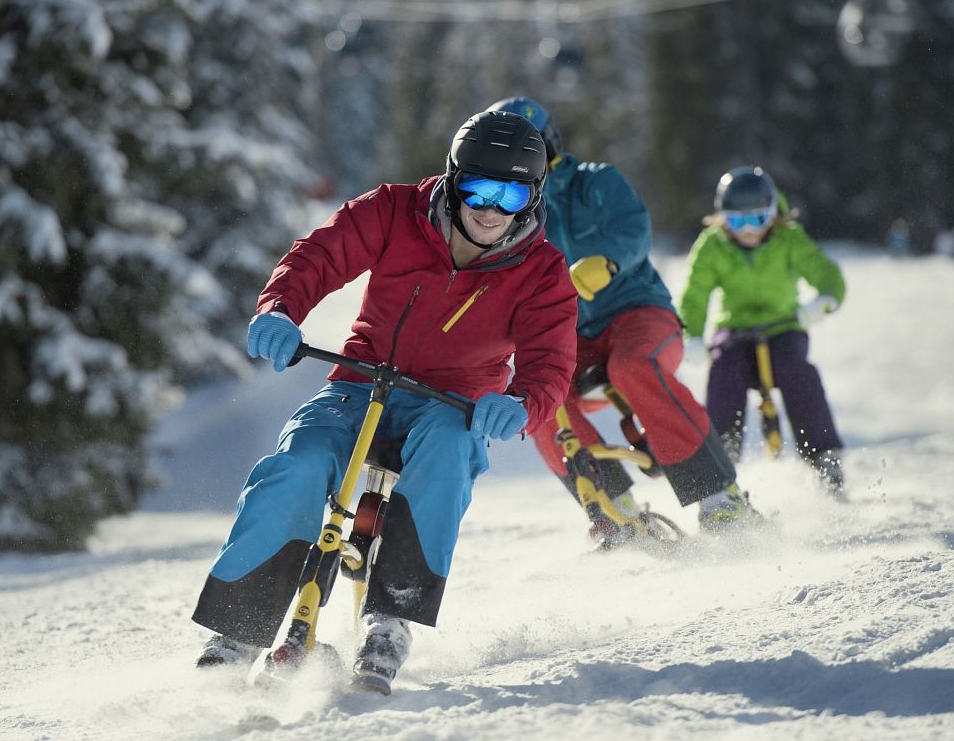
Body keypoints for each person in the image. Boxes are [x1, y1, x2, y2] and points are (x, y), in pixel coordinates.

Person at [190, 110, 578, 694]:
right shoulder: (394, 211)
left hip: (452, 404)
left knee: (447, 454)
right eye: (477, 187)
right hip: (359, 384)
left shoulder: (541, 271)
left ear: (532, 196)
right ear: (453, 178)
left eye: (510, 193)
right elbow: (318, 256)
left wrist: (524, 403)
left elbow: (551, 359)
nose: (490, 208)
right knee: (297, 462)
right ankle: (239, 630)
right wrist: (280, 308)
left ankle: (389, 619)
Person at [487, 96, 757, 544]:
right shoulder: (506, 212)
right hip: (569, 334)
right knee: (536, 397)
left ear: (548, 146)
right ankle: (613, 510)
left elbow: (634, 228)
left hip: (638, 313)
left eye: (526, 149)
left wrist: (606, 261)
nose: (517, 162)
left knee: (632, 366)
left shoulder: (596, 182)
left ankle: (720, 498)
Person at [678, 165, 847, 491]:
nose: (748, 231)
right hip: (735, 330)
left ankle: (824, 456)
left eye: (757, 219)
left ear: (773, 214)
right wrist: (692, 335)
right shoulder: (712, 245)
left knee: (797, 371)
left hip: (783, 326)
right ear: (721, 218)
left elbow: (826, 273)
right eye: (736, 221)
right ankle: (720, 460)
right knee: (725, 371)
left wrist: (824, 300)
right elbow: (694, 295)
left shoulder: (789, 238)